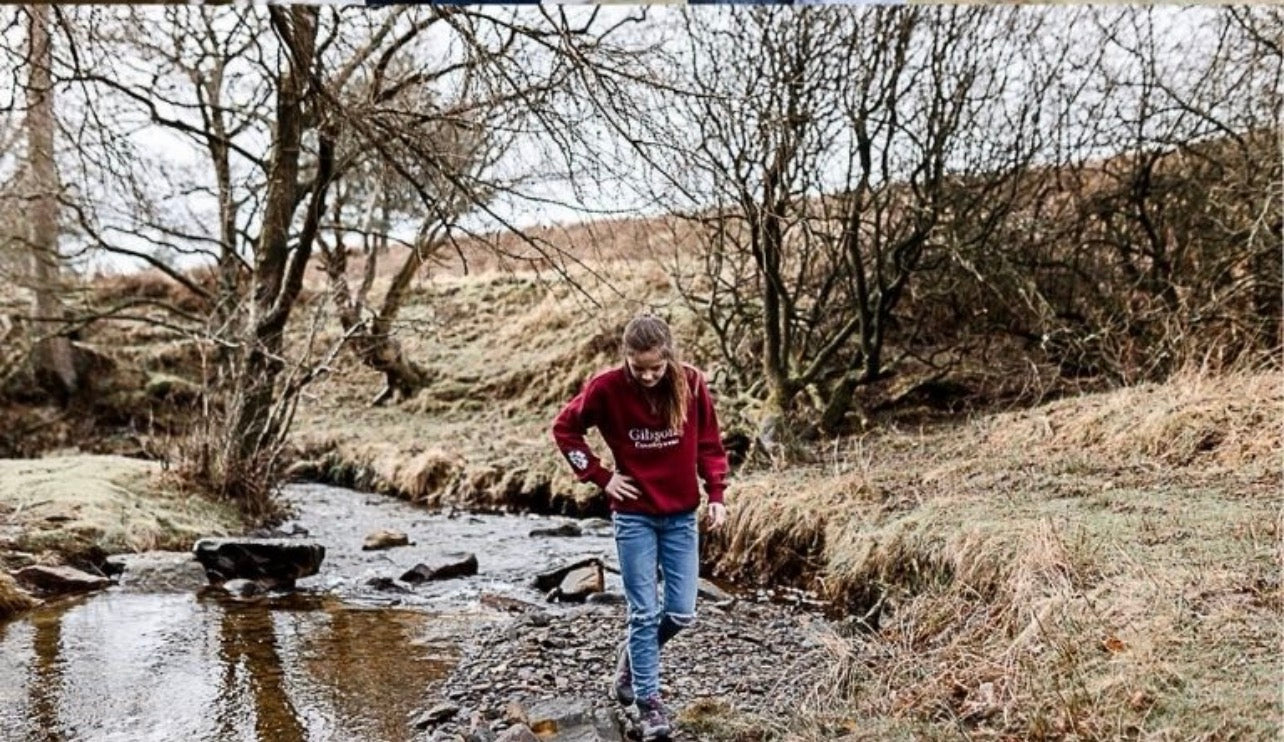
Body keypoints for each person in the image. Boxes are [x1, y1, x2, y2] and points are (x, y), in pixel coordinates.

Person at [552, 314, 729, 741]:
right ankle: (648, 703)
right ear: (626, 359)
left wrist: (718, 493)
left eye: (656, 367)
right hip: (633, 516)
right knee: (644, 612)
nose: (648, 376)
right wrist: (599, 475)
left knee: (682, 613)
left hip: (681, 516)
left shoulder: (691, 383)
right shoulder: (606, 388)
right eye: (638, 368)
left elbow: (709, 443)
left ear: (668, 357)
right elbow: (565, 428)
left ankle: (631, 658)